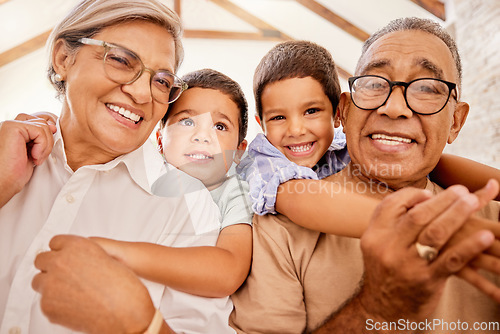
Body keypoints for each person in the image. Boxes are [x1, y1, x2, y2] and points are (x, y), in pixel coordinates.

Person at [229, 17, 500, 333]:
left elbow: (438, 163)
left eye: (426, 87)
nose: (395, 108)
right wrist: (379, 308)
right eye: (374, 83)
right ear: (345, 110)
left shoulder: (488, 218)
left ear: (455, 122)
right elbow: (297, 198)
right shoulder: (276, 222)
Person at [0, 0, 235, 333]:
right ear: (63, 59)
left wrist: (141, 324)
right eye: (122, 60)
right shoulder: (4, 153)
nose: (142, 93)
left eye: (162, 82)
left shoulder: (188, 204)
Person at [89, 68, 253, 298]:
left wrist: (123, 254)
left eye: (219, 126)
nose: (202, 136)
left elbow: (228, 272)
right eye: (187, 121)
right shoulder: (140, 172)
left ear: (238, 152)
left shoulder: (235, 193)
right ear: (159, 139)